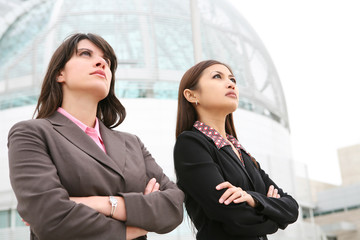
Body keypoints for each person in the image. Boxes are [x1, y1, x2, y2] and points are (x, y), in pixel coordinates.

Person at [8, 33, 184, 240]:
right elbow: (50, 217)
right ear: (59, 74)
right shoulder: (32, 133)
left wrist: (102, 203)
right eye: (85, 54)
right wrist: (134, 225)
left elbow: (173, 206)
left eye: (107, 62)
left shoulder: (132, 143)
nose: (101, 62)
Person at [173, 60, 299, 240]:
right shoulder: (191, 144)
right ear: (192, 96)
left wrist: (252, 199)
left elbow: (291, 208)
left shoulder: (241, 152)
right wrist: (274, 217)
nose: (231, 83)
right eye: (217, 76)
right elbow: (234, 217)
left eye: (233, 79)